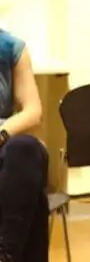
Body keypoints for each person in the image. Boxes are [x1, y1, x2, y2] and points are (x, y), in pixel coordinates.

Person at [0, 29, 48, 262]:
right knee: (33, 198)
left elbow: (33, 111)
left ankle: (5, 254)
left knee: (25, 149)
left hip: (4, 140)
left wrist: (1, 134)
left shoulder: (10, 47)